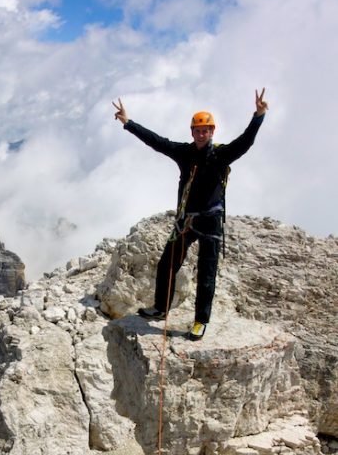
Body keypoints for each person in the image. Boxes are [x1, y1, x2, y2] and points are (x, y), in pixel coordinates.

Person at [112, 89, 268, 340]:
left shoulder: (220, 154)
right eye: (198, 130)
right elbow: (157, 142)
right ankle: (161, 309)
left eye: (206, 130)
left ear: (212, 131)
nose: (202, 133)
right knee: (166, 265)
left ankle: (200, 321)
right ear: (192, 132)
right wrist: (128, 123)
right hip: (186, 220)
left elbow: (245, 142)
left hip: (210, 221)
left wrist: (258, 116)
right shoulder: (185, 153)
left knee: (206, 274)